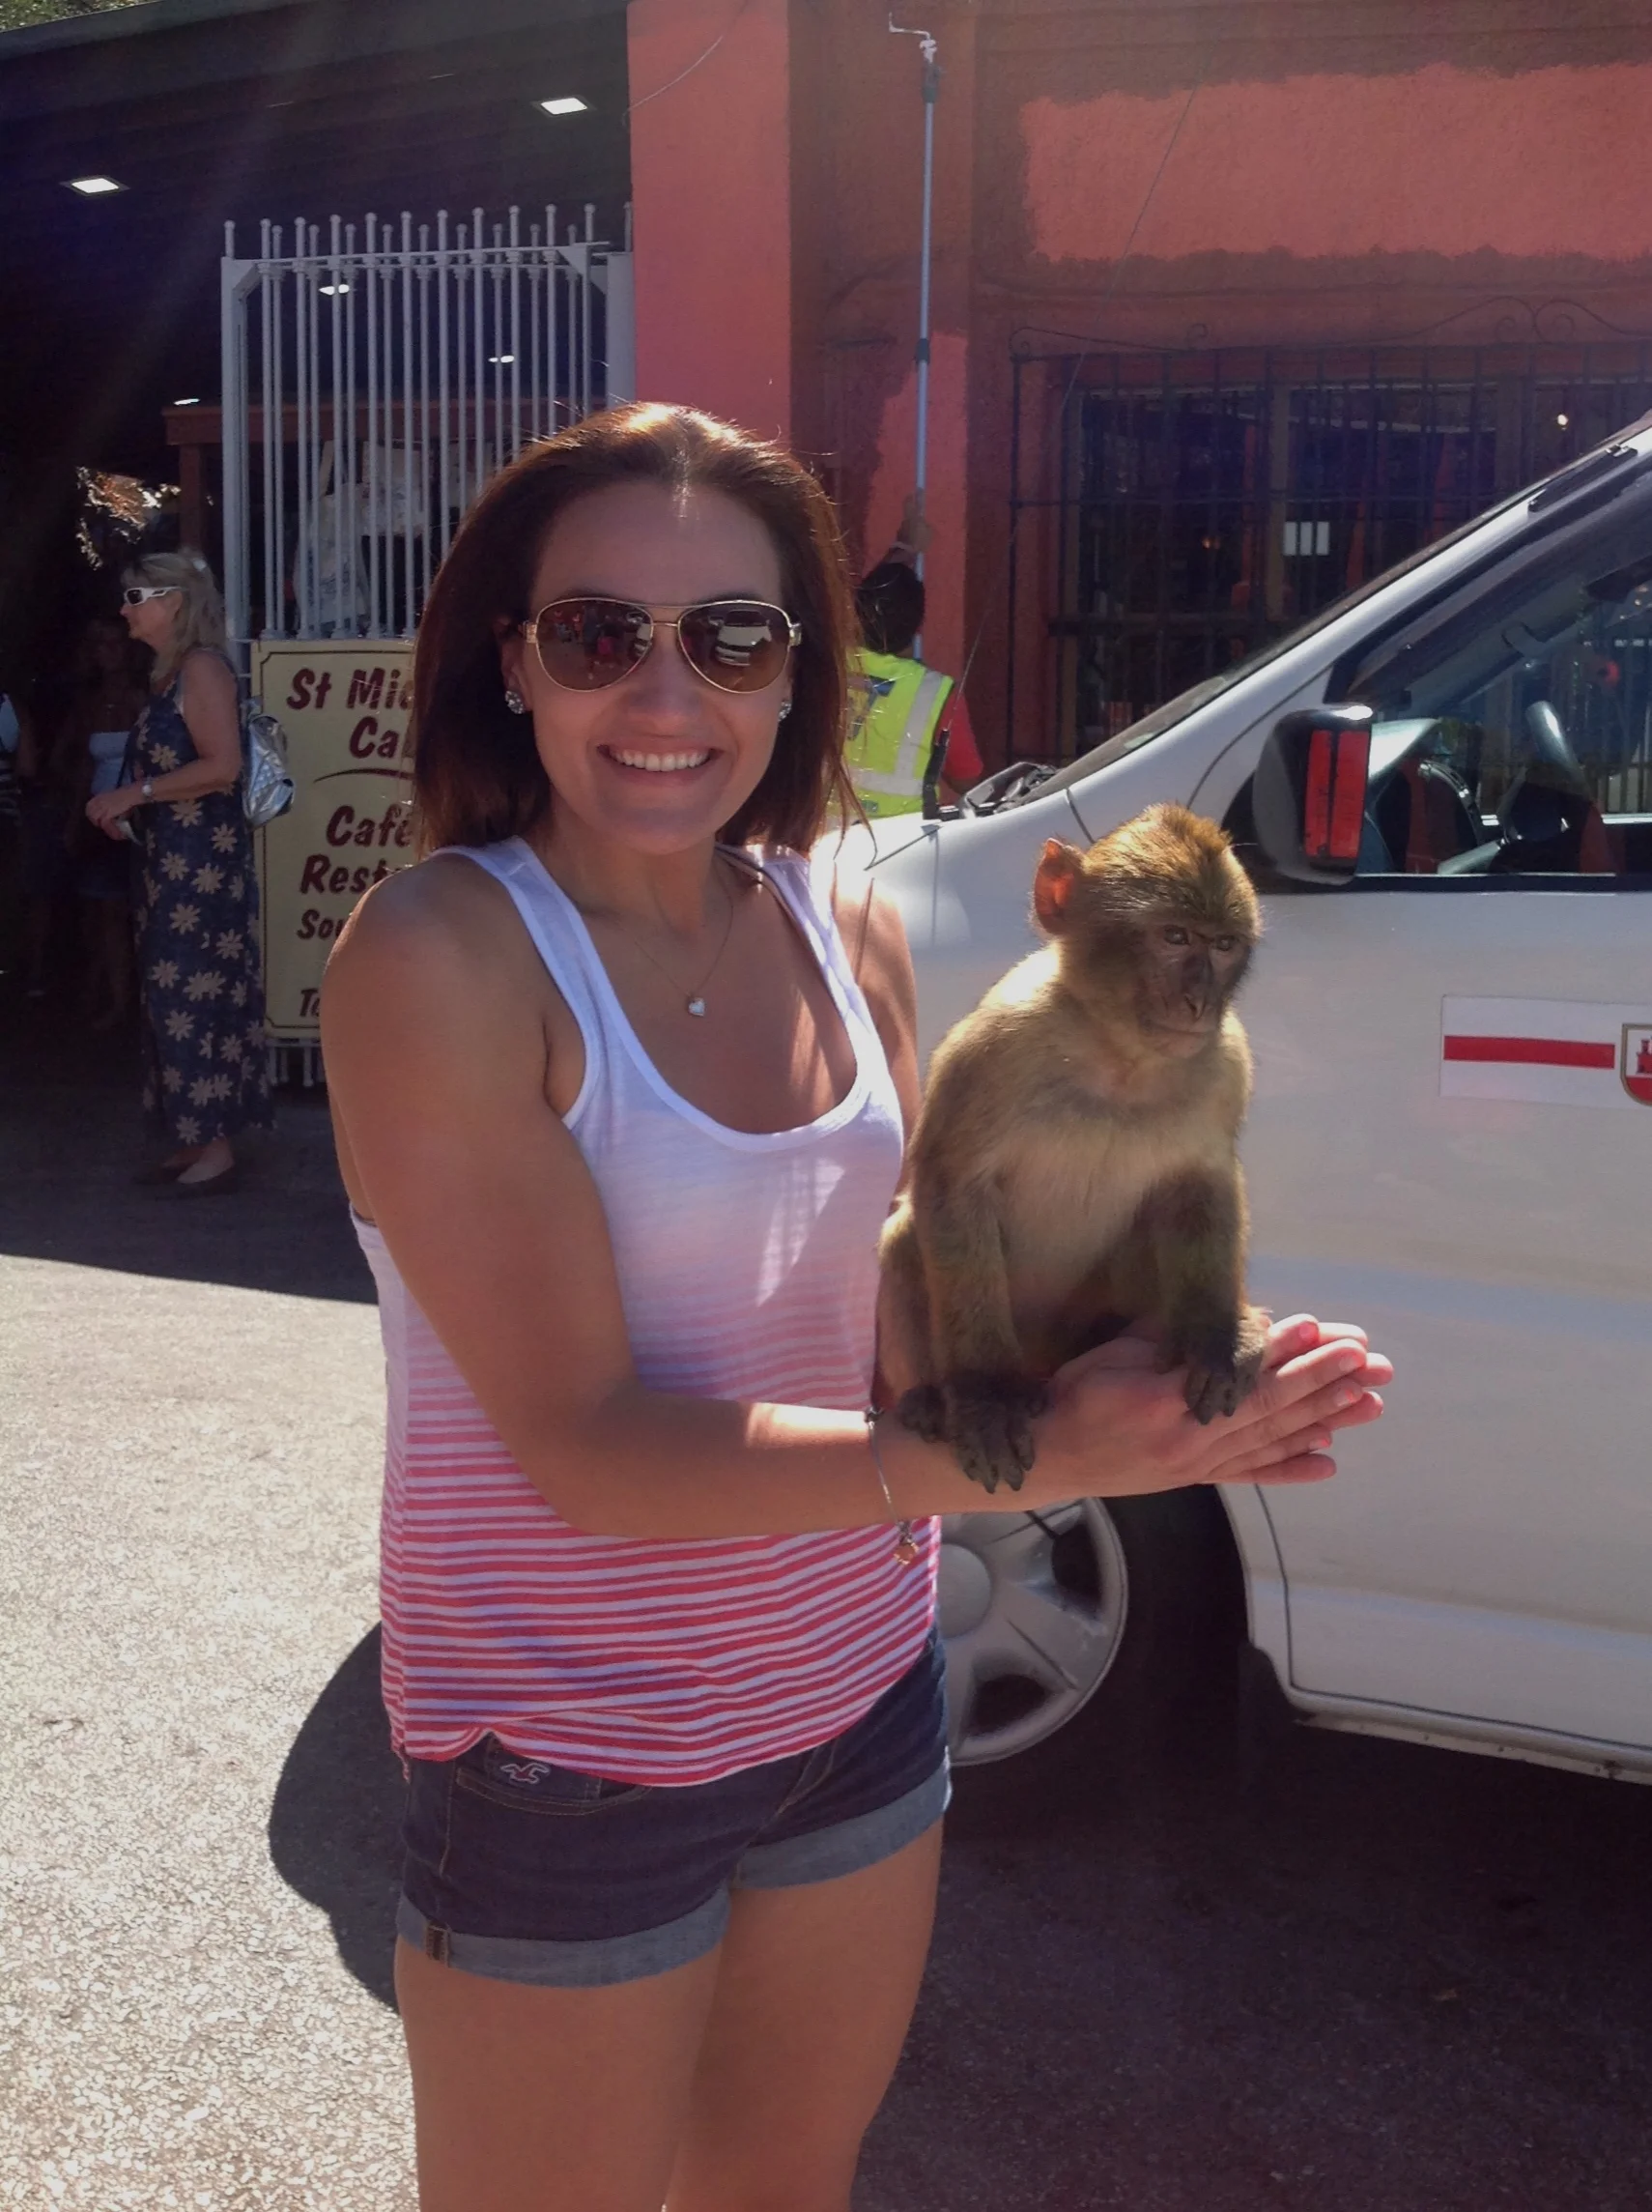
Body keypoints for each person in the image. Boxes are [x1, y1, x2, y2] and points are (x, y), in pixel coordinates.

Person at [319, 402, 1389, 2212]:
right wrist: (1031, 1456)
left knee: (785, 2186)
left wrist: (1153, 1359)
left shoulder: (844, 923)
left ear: (799, 672)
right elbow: (590, 1449)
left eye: (729, 637)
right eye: (601, 634)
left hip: (859, 1695)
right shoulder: (444, 958)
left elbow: (878, 1315)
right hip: (575, 1743)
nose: (668, 695)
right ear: (510, 662)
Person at [85, 552, 270, 1192]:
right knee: (171, 996)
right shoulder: (173, 675)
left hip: (201, 868)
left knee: (195, 993)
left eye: (137, 595)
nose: (125, 609)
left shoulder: (202, 668)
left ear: (176, 602)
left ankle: (214, 1143)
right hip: (172, 861)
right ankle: (195, 1137)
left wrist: (134, 794)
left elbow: (222, 766)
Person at [845, 497, 984, 817]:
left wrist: (905, 546)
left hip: (813, 841)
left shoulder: (819, 669)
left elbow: (877, 595)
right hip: (902, 846)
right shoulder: (936, 694)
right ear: (918, 628)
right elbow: (967, 780)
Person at [63, 615, 148, 1028]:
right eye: (100, 645)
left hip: (135, 818)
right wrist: (73, 819)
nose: (107, 653)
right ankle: (110, 995)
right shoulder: (91, 702)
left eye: (114, 644)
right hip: (99, 816)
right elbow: (81, 764)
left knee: (124, 912)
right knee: (99, 911)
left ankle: (124, 1003)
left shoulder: (141, 698)